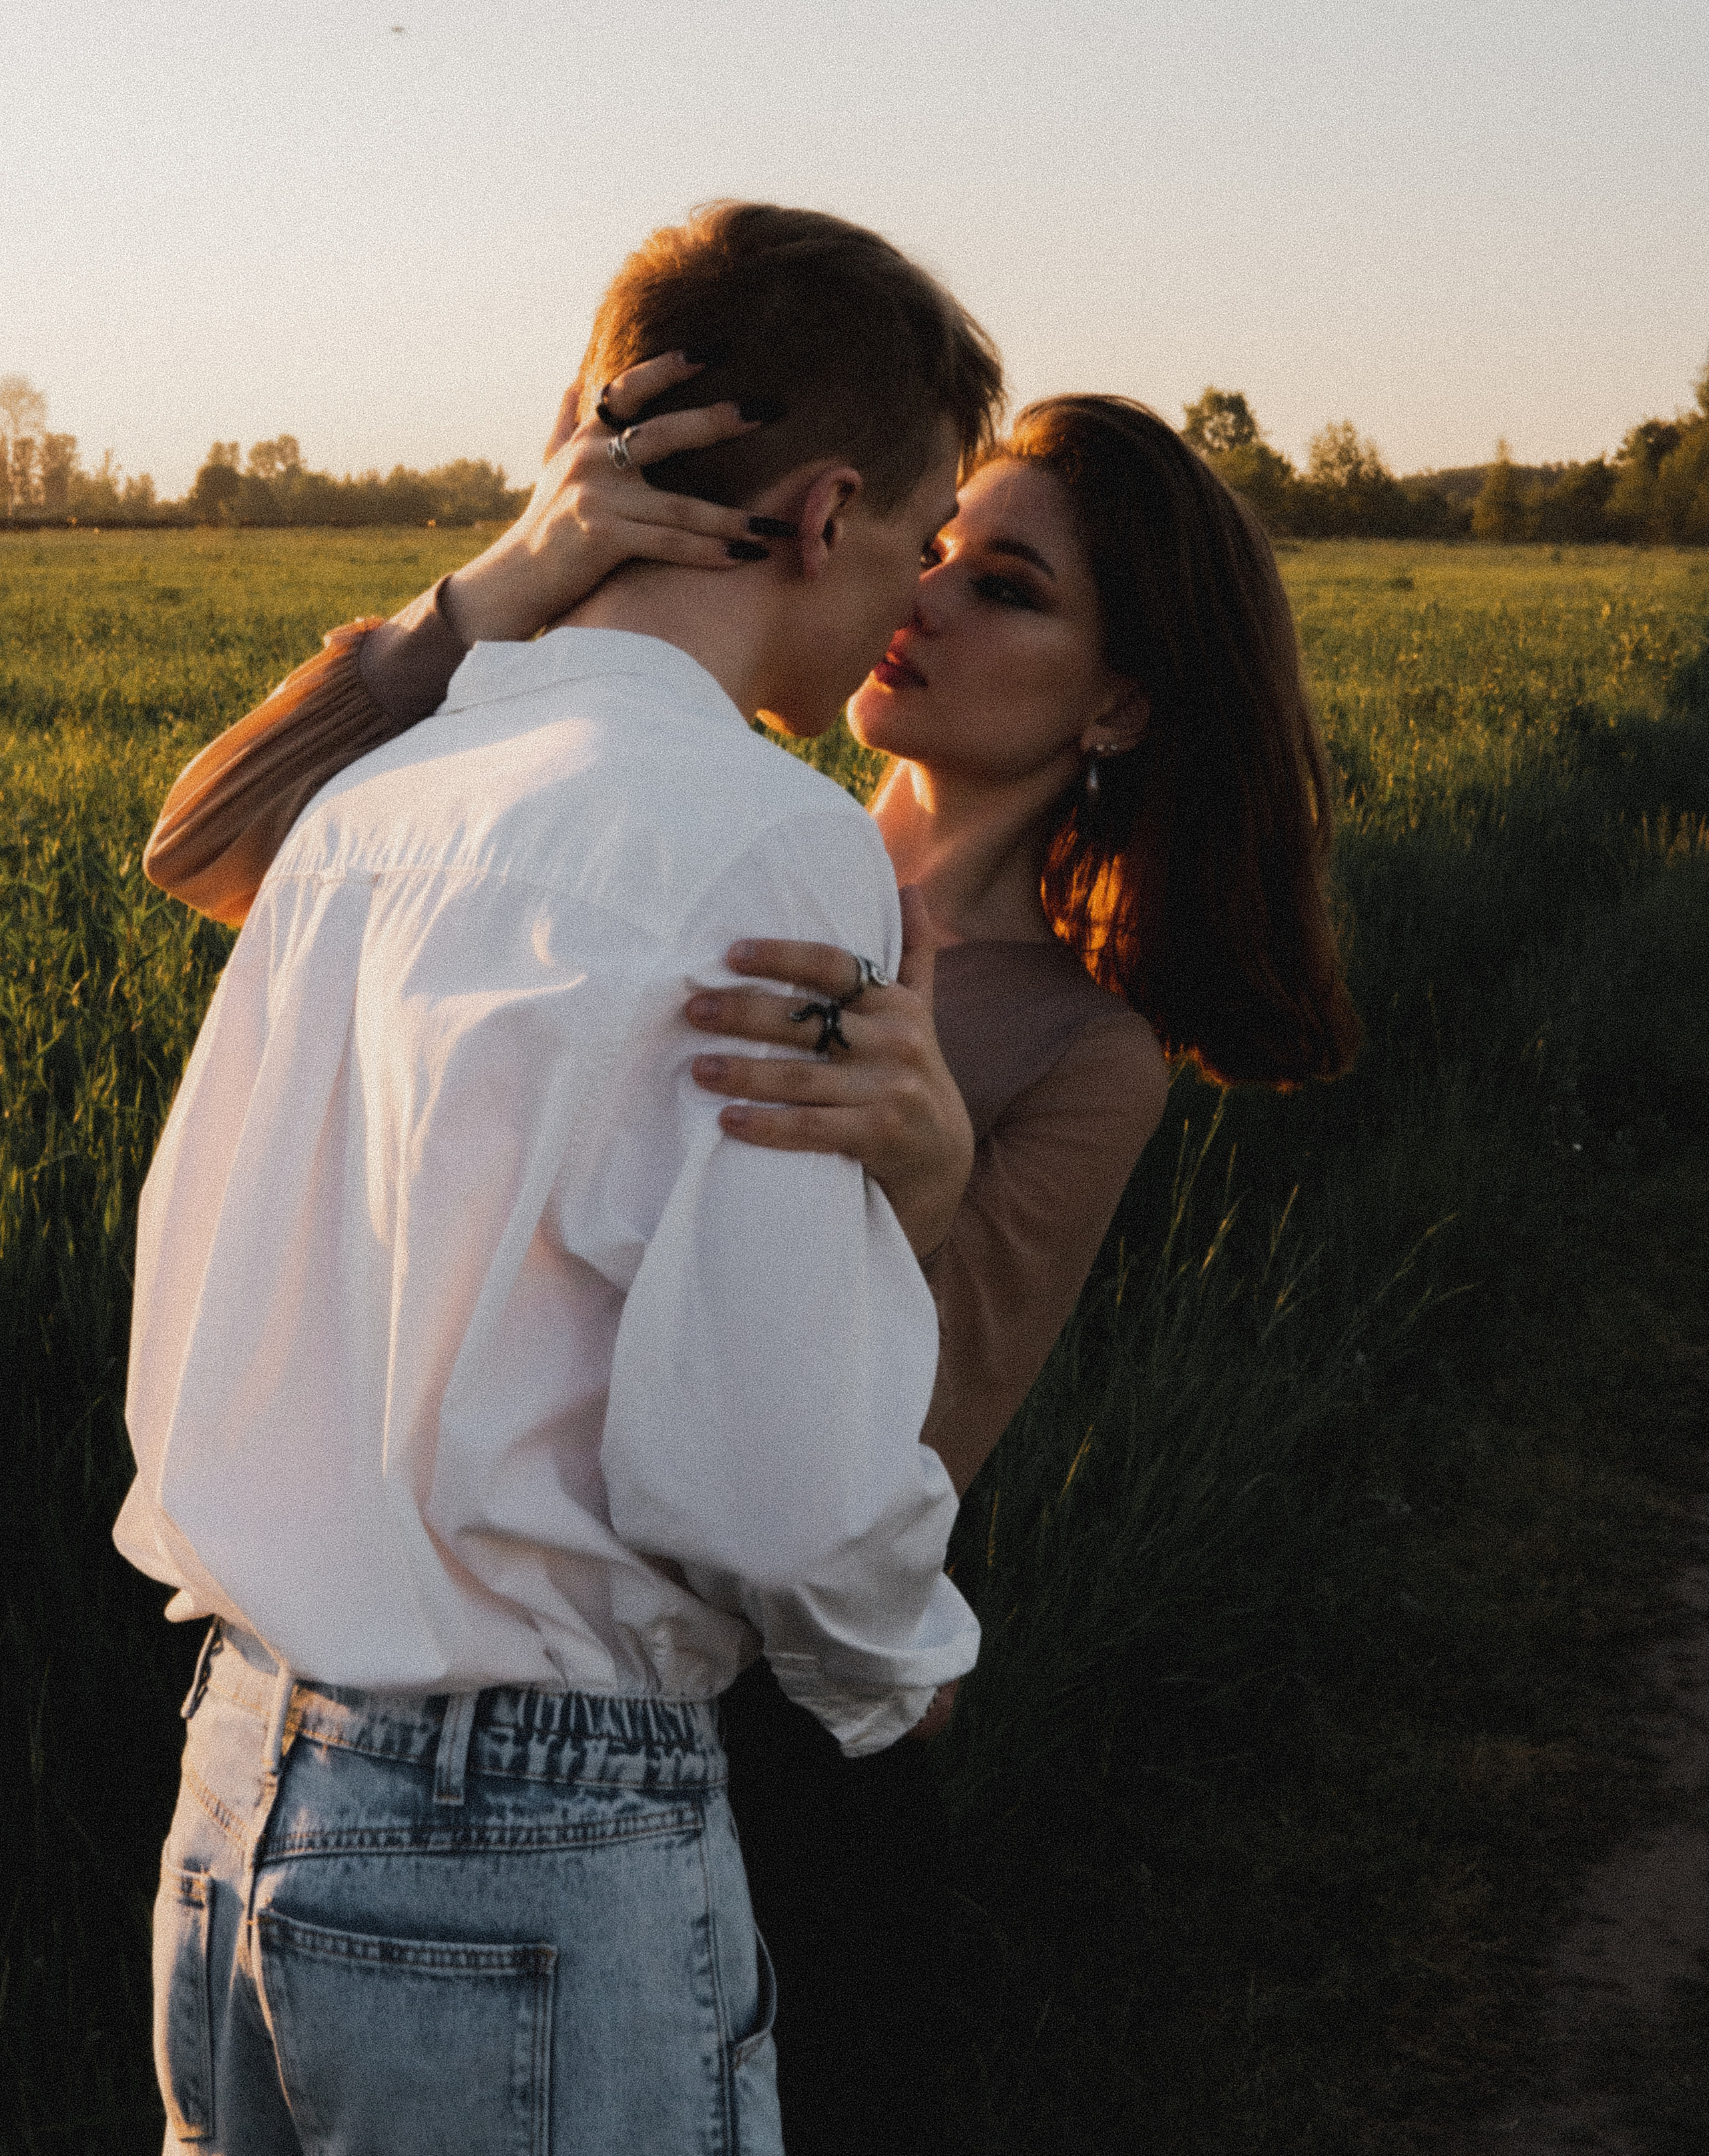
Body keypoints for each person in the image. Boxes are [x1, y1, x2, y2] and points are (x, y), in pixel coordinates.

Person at [146, 368, 1357, 2149]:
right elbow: (213, 846)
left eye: (1009, 589)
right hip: (395, 1725)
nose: (927, 594)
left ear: (1120, 703)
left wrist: (931, 1180)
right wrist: (487, 592)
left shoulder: (1081, 1052)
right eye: (940, 547)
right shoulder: (717, 838)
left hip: (767, 1759)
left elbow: (914, 1442)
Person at [117, 201, 1009, 2156]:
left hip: (238, 1783)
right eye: (928, 538)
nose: (914, 603)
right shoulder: (773, 841)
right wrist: (903, 1660)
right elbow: (767, 1456)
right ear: (826, 507)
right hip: (530, 1835)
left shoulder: (372, 809)